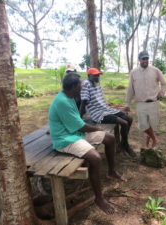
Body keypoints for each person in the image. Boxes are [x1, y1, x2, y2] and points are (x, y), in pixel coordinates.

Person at [48, 71, 125, 214]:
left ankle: (112, 171)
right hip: (65, 139)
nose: (82, 87)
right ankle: (99, 198)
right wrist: (96, 128)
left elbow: (78, 120)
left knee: (110, 138)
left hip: (75, 133)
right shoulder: (62, 101)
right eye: (80, 85)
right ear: (74, 87)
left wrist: (95, 129)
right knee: (95, 158)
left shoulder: (69, 96)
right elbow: (81, 126)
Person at [79, 68, 136, 157]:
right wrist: (79, 117)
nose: (97, 77)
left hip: (106, 109)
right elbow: (84, 102)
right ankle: (126, 145)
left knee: (129, 118)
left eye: (98, 75)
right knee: (124, 123)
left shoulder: (96, 84)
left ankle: (122, 144)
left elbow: (101, 101)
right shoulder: (86, 84)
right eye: (95, 75)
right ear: (89, 76)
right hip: (98, 114)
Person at [125, 50, 166, 148]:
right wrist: (127, 103)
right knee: (143, 125)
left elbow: (164, 82)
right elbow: (130, 89)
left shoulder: (155, 70)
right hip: (140, 103)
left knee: (152, 125)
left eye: (147, 58)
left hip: (153, 102)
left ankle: (149, 144)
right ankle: (155, 139)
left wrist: (162, 92)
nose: (145, 60)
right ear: (139, 60)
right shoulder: (134, 72)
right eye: (143, 59)